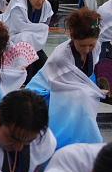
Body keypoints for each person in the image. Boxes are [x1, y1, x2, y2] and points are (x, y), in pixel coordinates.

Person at [27, 8, 106, 149]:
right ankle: (77, 143)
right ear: (72, 37)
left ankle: (83, 143)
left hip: (75, 90)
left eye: (91, 44)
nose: (88, 49)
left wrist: (93, 88)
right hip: (46, 91)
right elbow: (64, 86)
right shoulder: (61, 56)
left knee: (84, 98)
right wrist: (92, 90)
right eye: (82, 45)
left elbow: (85, 77)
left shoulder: (97, 47)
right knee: (83, 99)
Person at [2, 0, 53, 84]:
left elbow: (44, 29)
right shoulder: (18, 0)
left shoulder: (47, 6)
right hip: (12, 41)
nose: (40, 1)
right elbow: (19, 27)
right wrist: (40, 28)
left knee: (46, 68)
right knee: (26, 38)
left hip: (34, 45)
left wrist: (41, 29)